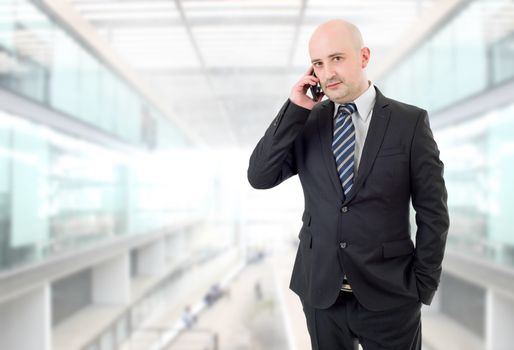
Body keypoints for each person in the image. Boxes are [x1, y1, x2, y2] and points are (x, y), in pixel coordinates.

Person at [247, 19, 449, 350]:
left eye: (337, 58)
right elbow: (259, 175)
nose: (327, 73)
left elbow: (433, 211)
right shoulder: (307, 122)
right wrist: (295, 108)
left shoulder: (409, 122)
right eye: (318, 64)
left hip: (390, 296)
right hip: (321, 294)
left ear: (364, 56)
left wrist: (422, 285)